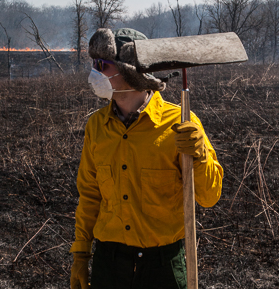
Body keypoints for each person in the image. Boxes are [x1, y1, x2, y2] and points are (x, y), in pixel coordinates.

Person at [69, 28, 223, 288]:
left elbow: (210, 197)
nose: (94, 72)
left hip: (162, 267)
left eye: (102, 65)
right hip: (110, 264)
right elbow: (90, 195)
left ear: (130, 70)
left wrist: (199, 155)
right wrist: (81, 255)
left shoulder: (181, 122)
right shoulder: (97, 126)